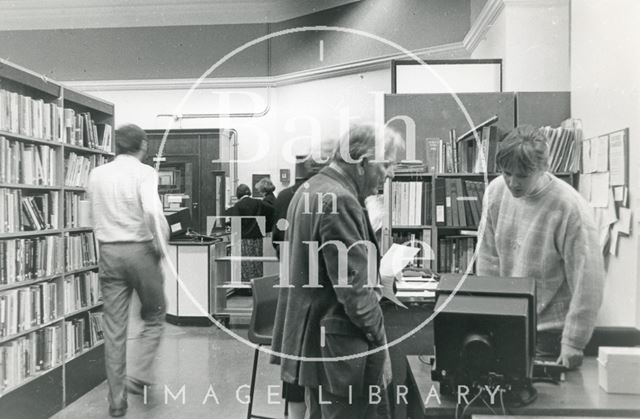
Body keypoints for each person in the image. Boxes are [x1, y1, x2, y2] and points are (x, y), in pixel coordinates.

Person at [271, 124, 404, 419]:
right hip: (340, 347)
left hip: (316, 340)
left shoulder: (312, 188)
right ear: (363, 162)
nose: (389, 174)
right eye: (385, 164)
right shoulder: (340, 199)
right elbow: (354, 290)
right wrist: (379, 335)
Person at [477, 124, 604, 369]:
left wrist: (574, 342)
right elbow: (487, 260)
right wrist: (488, 318)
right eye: (506, 173)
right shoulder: (495, 192)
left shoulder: (569, 207)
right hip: (506, 324)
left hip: (550, 334)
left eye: (522, 176)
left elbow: (589, 281)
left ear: (544, 167)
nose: (513, 183)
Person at [88, 124, 169, 417]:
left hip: (108, 252)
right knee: (156, 313)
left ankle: (117, 400)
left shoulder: (96, 174)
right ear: (143, 145)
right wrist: (161, 243)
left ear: (116, 146)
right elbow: (151, 210)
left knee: (114, 329)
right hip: (140, 251)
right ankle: (143, 373)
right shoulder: (144, 172)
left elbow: (93, 214)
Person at [226, 184, 266, 284]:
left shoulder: (238, 205)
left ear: (238, 194)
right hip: (257, 238)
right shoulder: (258, 202)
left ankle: (246, 287)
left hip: (244, 239)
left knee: (246, 263)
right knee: (257, 262)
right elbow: (270, 211)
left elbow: (235, 222)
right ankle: (258, 286)